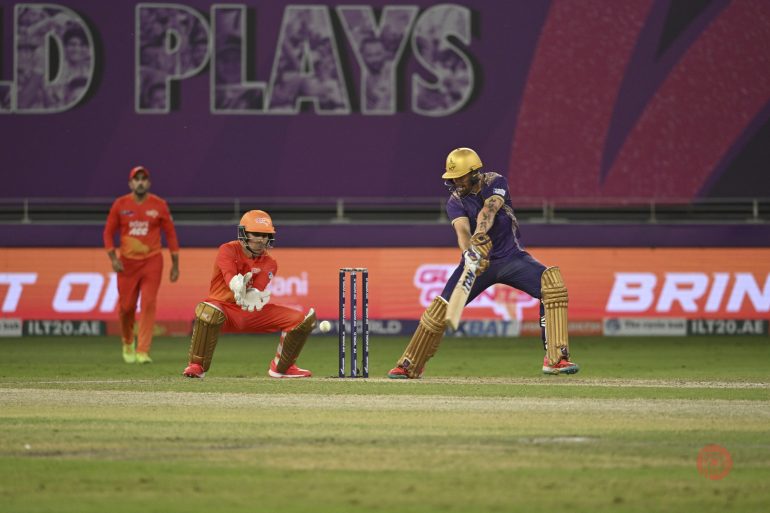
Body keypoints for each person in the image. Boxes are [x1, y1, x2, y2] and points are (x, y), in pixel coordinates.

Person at [388, 147, 580, 378]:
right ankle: (409, 365)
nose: (455, 182)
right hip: (477, 264)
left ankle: (556, 358)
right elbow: (461, 231)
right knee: (439, 310)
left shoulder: (495, 181)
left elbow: (489, 209)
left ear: (474, 173)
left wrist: (480, 235)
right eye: (452, 177)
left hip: (511, 258)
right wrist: (470, 252)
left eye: (459, 176)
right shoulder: (454, 201)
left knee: (552, 284)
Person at [182, 210, 316, 379]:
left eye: (266, 235)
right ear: (244, 233)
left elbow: (257, 289)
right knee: (208, 311)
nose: (261, 239)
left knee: (300, 320)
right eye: (256, 234)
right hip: (223, 311)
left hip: (249, 311)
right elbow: (228, 273)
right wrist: (235, 285)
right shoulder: (227, 249)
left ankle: (282, 367)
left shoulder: (270, 263)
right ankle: (197, 366)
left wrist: (252, 293)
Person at [103, 166, 180, 364]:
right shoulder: (120, 205)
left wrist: (175, 263)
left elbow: (170, 234)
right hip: (127, 264)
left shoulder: (159, 205)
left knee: (148, 304)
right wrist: (113, 258)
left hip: (152, 261)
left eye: (143, 179)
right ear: (130, 183)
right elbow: (108, 233)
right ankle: (128, 341)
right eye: (136, 179)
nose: (140, 182)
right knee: (126, 307)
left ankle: (143, 350)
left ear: (149, 183)